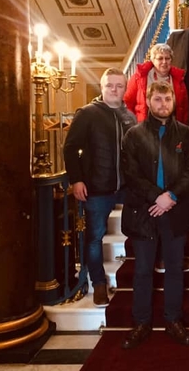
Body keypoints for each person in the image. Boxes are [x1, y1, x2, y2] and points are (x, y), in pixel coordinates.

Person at [120, 81, 189, 350]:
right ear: (149, 100)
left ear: (174, 102)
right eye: (158, 100)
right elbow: (130, 174)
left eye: (167, 100)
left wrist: (171, 197)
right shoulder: (133, 135)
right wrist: (157, 196)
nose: (163, 104)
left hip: (175, 211)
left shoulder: (188, 135)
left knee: (174, 269)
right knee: (143, 270)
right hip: (143, 211)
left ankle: (173, 320)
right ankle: (141, 322)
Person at [63, 68, 137, 307]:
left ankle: (139, 273)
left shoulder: (129, 116)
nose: (114, 90)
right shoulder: (88, 113)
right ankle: (99, 284)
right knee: (94, 238)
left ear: (125, 88)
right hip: (96, 188)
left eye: (119, 86)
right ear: (102, 87)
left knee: (141, 228)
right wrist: (77, 179)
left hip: (126, 186)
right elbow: (71, 148)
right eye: (110, 85)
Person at [124, 43, 189, 124]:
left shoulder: (178, 79)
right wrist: (133, 124)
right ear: (153, 60)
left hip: (172, 127)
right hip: (143, 126)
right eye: (160, 58)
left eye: (167, 58)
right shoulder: (140, 77)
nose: (164, 62)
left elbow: (184, 108)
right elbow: (128, 102)